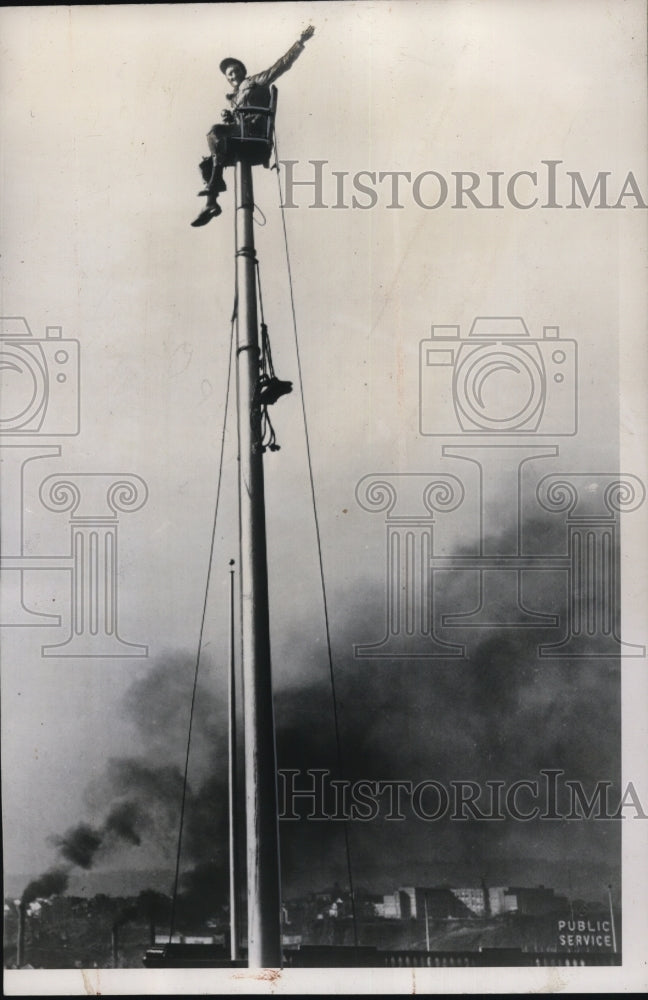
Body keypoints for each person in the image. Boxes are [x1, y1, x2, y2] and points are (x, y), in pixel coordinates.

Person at [191, 25, 315, 227]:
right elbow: (237, 120)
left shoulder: (256, 81)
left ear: (243, 71)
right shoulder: (234, 97)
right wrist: (230, 117)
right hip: (242, 133)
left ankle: (215, 184)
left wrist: (300, 43)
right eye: (229, 74)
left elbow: (280, 66)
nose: (233, 75)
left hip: (253, 133)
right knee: (205, 164)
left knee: (214, 132)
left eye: (235, 71)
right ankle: (211, 203)